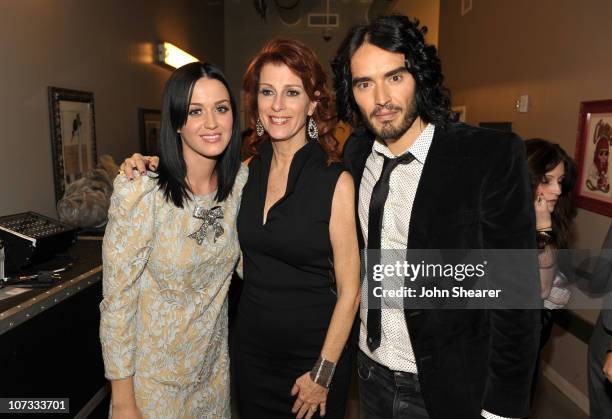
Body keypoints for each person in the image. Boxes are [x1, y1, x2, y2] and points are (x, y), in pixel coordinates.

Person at [119, 39, 360, 419]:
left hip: (312, 362)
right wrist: (149, 163)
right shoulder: (245, 173)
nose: (278, 105)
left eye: (292, 92)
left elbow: (351, 290)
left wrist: (323, 371)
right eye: (268, 92)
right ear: (256, 103)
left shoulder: (336, 181)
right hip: (249, 359)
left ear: (313, 103)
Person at [332, 15, 540, 419]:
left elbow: (517, 295)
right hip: (370, 372)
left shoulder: (487, 157)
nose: (381, 99)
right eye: (364, 84)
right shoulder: (357, 154)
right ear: (351, 92)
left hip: (445, 385)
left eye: (395, 77)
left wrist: (503, 408)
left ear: (419, 76)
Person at [100, 62, 246, 418]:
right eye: (196, 111)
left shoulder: (241, 185)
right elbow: (117, 302)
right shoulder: (142, 191)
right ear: (178, 121)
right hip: (151, 389)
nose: (211, 123)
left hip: (213, 381)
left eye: (221, 109)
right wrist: (122, 401)